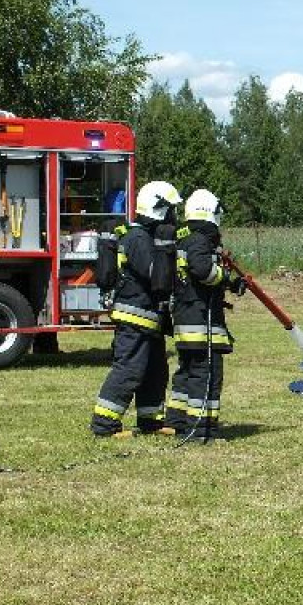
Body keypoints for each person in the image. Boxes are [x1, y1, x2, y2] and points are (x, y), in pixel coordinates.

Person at [90, 181, 182, 438]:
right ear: (159, 209)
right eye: (171, 209)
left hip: (149, 318)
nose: (174, 216)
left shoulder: (145, 236)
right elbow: (155, 274)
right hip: (135, 317)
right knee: (129, 370)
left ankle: (151, 420)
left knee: (155, 371)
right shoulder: (138, 239)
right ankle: (105, 424)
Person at [165, 189, 246, 440]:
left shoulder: (185, 238)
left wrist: (230, 283)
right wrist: (225, 277)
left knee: (187, 373)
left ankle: (177, 421)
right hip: (201, 321)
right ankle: (200, 429)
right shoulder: (200, 240)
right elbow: (202, 271)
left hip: (186, 319)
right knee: (207, 375)